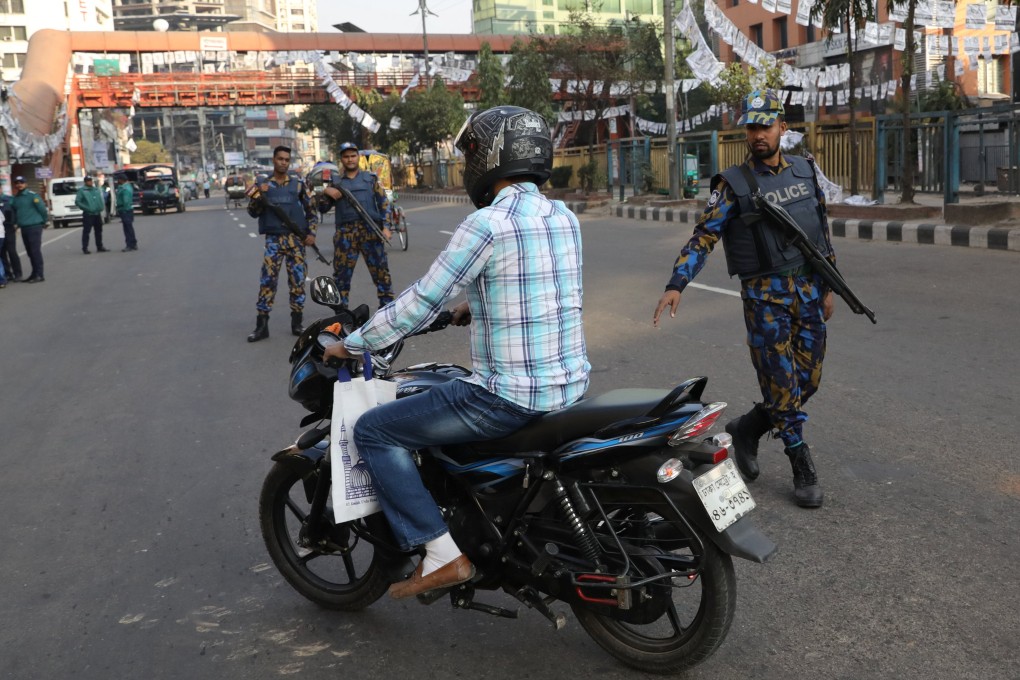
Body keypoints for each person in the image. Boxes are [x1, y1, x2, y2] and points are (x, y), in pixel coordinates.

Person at [322, 106, 590, 599]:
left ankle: (442, 552)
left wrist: (355, 343)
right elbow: (543, 287)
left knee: (375, 430)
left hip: (508, 398)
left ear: (489, 158)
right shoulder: (563, 215)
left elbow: (423, 300)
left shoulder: (487, 223)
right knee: (445, 385)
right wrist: (476, 304)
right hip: (569, 387)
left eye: (470, 156)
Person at [652, 90, 835, 509]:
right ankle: (799, 458)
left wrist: (828, 286)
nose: (758, 135)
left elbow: (820, 231)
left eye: (766, 126)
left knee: (808, 381)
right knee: (782, 385)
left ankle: (749, 426)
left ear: (782, 128)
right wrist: (677, 283)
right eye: (751, 127)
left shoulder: (806, 171)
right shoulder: (731, 185)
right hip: (764, 300)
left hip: (807, 291)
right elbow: (704, 237)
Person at [245, 145, 318, 342]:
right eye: (280, 159)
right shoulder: (262, 184)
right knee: (267, 281)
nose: (283, 162)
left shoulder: (299, 184)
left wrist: (311, 233)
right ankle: (262, 325)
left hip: (295, 240)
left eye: (287, 159)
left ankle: (297, 323)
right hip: (273, 240)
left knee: (297, 281)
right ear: (273, 160)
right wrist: (260, 196)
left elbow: (311, 212)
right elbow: (252, 212)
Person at [321, 141, 394, 308]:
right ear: (341, 159)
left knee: (382, 275)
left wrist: (386, 227)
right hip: (346, 234)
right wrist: (325, 191)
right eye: (346, 156)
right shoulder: (335, 182)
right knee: (341, 278)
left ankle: (387, 311)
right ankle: (341, 315)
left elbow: (384, 203)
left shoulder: (370, 179)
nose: (350, 159)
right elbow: (322, 208)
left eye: (353, 156)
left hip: (371, 231)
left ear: (358, 157)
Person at [10, 176, 48, 282]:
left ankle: (40, 274)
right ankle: (34, 273)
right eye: (17, 183)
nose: (19, 184)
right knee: (30, 252)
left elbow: (42, 209)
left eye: (21, 182)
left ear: (25, 184)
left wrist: (45, 221)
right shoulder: (15, 198)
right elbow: (16, 213)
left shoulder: (32, 196)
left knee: (35, 251)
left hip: (34, 227)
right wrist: (16, 223)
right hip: (24, 228)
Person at [76, 175, 107, 254]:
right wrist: (87, 208)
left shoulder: (96, 189)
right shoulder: (82, 191)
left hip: (97, 213)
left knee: (98, 231)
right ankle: (85, 248)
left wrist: (101, 207)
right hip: (88, 214)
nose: (90, 182)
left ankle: (99, 246)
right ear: (85, 182)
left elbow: (100, 199)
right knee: (87, 231)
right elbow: (78, 201)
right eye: (88, 181)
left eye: (91, 180)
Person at [0, 189, 21, 282]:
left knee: (12, 251)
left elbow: (18, 211)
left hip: (9, 228)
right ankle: (8, 274)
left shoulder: (10, 199)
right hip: (0, 229)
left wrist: (16, 223)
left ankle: (17, 273)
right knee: (2, 253)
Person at [115, 174, 137, 251]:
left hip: (125, 210)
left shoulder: (125, 188)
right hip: (126, 209)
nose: (117, 181)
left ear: (121, 180)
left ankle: (130, 244)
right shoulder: (125, 187)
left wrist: (123, 209)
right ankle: (133, 243)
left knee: (127, 228)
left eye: (118, 179)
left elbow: (126, 201)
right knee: (129, 227)